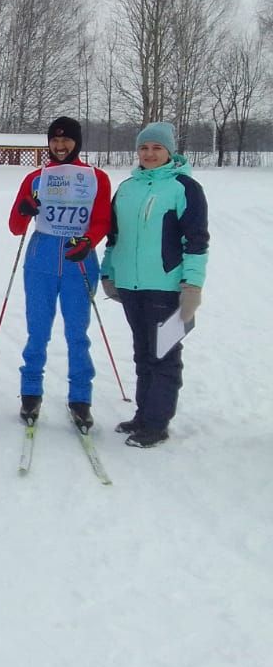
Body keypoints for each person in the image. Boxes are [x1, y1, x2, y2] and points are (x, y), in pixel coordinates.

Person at [100, 122, 208, 448]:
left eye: (156, 148)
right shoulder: (128, 188)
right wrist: (109, 273)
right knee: (143, 353)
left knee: (164, 354)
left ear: (169, 151)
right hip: (132, 287)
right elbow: (114, 237)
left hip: (167, 286)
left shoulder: (184, 188)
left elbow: (197, 240)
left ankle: (157, 423)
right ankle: (143, 414)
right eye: (144, 148)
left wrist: (192, 285)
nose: (149, 153)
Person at [8, 117, 112, 428]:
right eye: (54, 140)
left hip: (77, 260)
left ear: (77, 142)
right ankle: (30, 391)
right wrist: (24, 209)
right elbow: (15, 227)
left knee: (77, 333)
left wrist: (89, 241)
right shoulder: (35, 178)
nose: (60, 145)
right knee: (37, 330)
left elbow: (102, 220)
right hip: (41, 259)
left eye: (66, 140)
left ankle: (81, 397)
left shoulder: (97, 178)